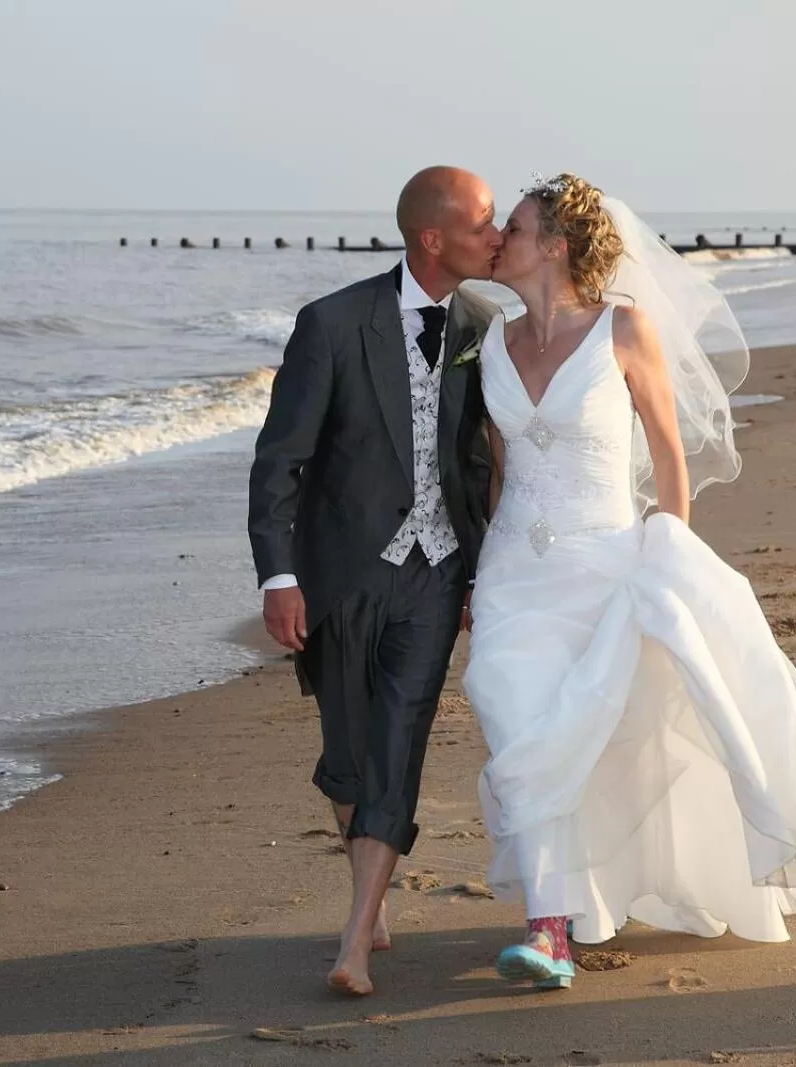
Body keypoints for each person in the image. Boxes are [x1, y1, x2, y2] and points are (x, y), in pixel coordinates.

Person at [465, 173, 796, 991]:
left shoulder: (623, 329)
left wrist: (671, 555)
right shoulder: (492, 341)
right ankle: (552, 925)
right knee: (513, 709)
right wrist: (483, 574)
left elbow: (666, 453)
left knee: (607, 735)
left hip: (606, 562)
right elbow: (502, 467)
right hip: (515, 570)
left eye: (512, 227)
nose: (497, 240)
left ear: (554, 244)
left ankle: (563, 920)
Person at [248, 166, 503, 996]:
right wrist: (278, 575)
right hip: (341, 574)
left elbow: (473, 459)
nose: (495, 235)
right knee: (348, 755)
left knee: (400, 743)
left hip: (435, 576)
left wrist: (481, 565)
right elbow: (279, 461)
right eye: (483, 223)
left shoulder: (481, 324)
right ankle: (370, 876)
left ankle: (356, 934)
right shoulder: (330, 324)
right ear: (433, 237)